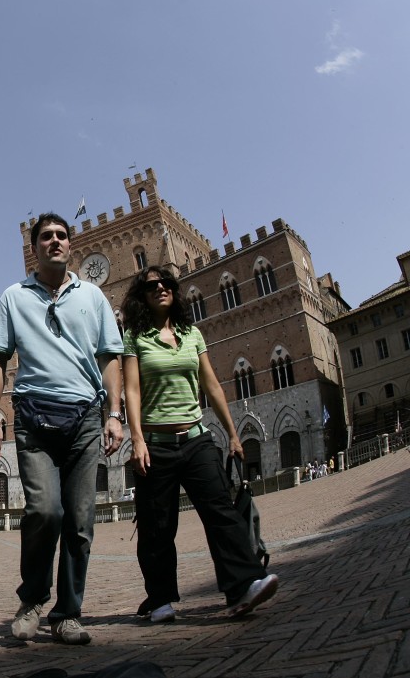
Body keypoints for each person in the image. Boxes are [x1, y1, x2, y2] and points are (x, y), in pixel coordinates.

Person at [0, 212, 124, 646]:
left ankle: (68, 614)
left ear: (70, 246)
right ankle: (32, 600)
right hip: (33, 417)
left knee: (80, 522)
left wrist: (113, 413)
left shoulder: (93, 297)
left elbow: (110, 356)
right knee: (45, 512)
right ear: (35, 247)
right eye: (46, 237)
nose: (55, 242)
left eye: (62, 236)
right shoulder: (13, 296)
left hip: (84, 417)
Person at [122, 266, 279, 623]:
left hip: (196, 438)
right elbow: (130, 389)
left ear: (174, 291)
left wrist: (233, 433)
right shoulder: (135, 337)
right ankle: (160, 599)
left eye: (165, 283)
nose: (160, 288)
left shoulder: (192, 333)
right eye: (151, 286)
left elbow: (212, 385)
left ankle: (242, 587)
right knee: (158, 526)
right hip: (156, 444)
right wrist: (137, 439)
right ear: (142, 296)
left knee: (221, 512)